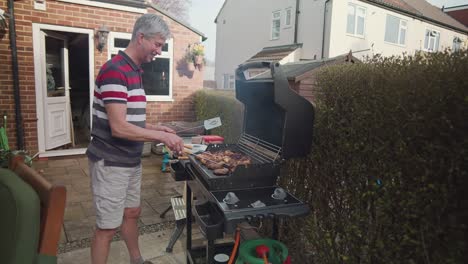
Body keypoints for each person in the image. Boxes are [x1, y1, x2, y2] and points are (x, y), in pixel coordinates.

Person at [86, 14, 184, 264]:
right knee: (107, 227)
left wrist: (157, 127)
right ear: (141, 37)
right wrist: (160, 136)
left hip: (130, 161)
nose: (159, 51)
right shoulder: (115, 70)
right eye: (158, 44)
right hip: (111, 163)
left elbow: (130, 121)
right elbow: (118, 128)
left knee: (131, 213)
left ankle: (136, 260)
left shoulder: (134, 70)